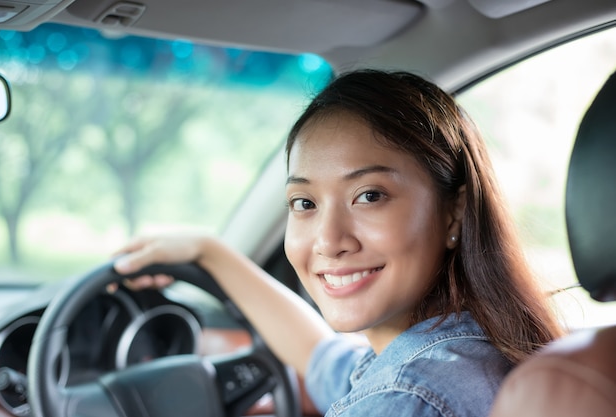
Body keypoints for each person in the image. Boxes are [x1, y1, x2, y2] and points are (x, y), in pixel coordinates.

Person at [113, 69, 564, 417]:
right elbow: (324, 359)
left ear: (454, 211)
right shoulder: (461, 350)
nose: (329, 240)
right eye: (304, 202)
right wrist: (208, 252)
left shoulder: (406, 396)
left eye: (369, 196)